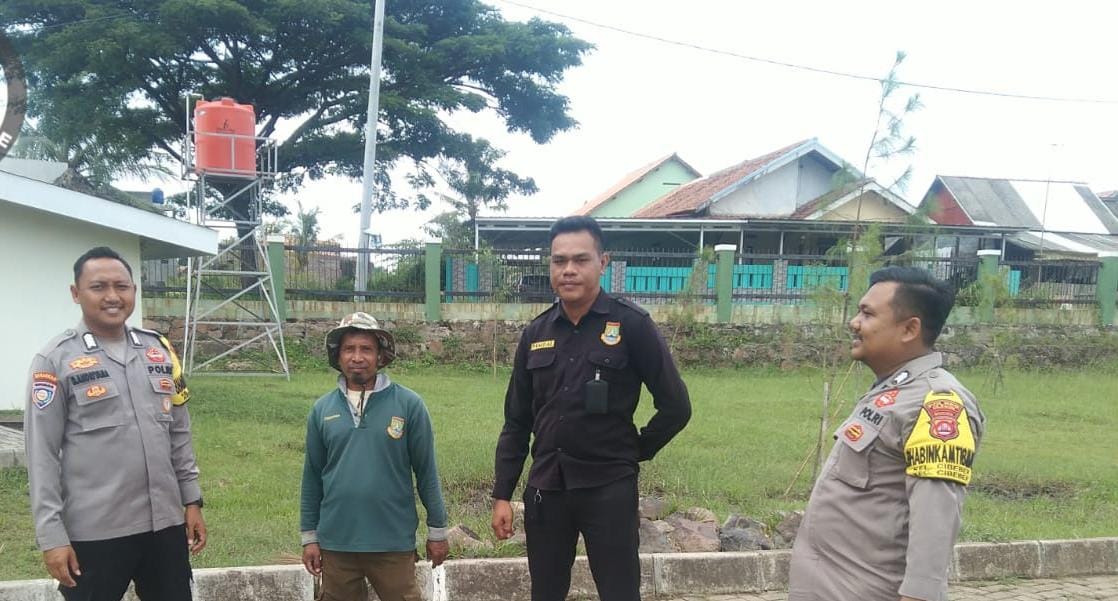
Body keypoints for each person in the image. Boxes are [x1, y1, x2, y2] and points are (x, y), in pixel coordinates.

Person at [491, 216, 692, 601]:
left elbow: (676, 407)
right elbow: (516, 421)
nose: (568, 270)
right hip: (547, 489)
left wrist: (635, 449)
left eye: (580, 259)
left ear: (603, 262)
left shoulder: (632, 325)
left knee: (619, 592)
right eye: (559, 260)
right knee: (546, 592)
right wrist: (503, 493)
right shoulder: (536, 333)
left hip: (608, 488)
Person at [789, 266, 987, 601]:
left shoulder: (936, 404)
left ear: (910, 329)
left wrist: (919, 595)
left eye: (867, 314)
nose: (854, 322)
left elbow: (935, 518)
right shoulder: (894, 390)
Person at [25, 246, 206, 601]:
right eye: (98, 287)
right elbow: (42, 455)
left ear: (134, 291)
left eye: (121, 286)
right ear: (76, 293)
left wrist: (192, 500)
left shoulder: (158, 351)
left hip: (165, 526)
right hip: (96, 532)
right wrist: (52, 537)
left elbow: (179, 434)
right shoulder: (55, 360)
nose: (112, 296)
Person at [300, 312, 449, 601]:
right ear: (338, 356)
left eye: (366, 349)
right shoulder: (322, 410)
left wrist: (438, 532)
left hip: (392, 541)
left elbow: (426, 472)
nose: (357, 357)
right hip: (337, 542)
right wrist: (309, 537)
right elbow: (312, 477)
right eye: (349, 349)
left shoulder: (408, 405)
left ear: (380, 356)